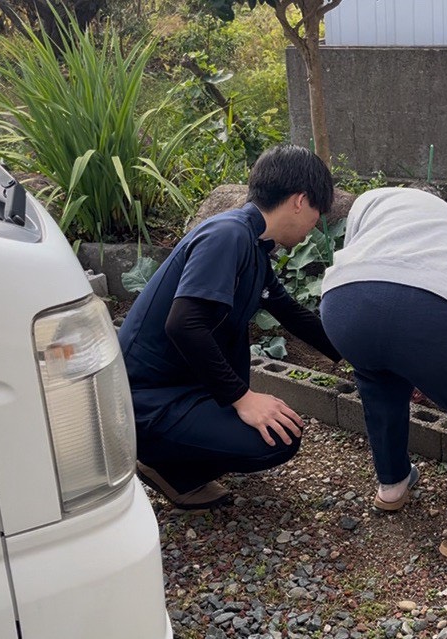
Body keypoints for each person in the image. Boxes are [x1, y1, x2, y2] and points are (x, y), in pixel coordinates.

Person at [118, 145, 341, 510]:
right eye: (317, 215)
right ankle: (163, 463)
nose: (314, 227)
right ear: (300, 201)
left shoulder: (252, 243)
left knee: (275, 428)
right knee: (277, 439)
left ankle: (175, 460)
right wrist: (244, 399)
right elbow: (184, 324)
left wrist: (357, 355)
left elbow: (290, 312)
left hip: (176, 389)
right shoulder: (228, 235)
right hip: (146, 402)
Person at [319, 186, 447, 562]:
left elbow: (361, 257)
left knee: (379, 386)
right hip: (428, 305)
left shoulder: (373, 199)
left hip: (343, 303)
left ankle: (392, 485)